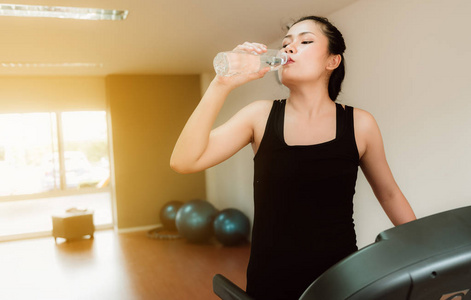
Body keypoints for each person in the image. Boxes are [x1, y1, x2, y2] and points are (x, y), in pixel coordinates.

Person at [170, 15, 416, 300]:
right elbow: (184, 161)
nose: (289, 48)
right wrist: (221, 84)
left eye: (305, 41)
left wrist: (425, 253)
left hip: (340, 280)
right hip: (271, 281)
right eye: (286, 44)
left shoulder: (360, 124)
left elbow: (389, 194)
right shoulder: (259, 116)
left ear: (332, 61)